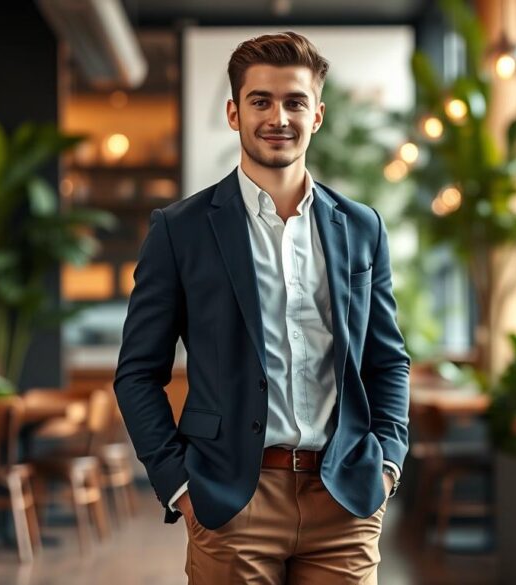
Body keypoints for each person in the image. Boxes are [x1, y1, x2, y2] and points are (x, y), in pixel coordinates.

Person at [114, 31, 410, 584]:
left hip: (343, 498)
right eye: (261, 101)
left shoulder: (362, 227)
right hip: (231, 499)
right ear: (234, 113)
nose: (279, 116)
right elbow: (136, 374)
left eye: (295, 101)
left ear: (317, 115)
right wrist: (180, 485)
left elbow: (387, 359)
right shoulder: (180, 231)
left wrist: (387, 463)